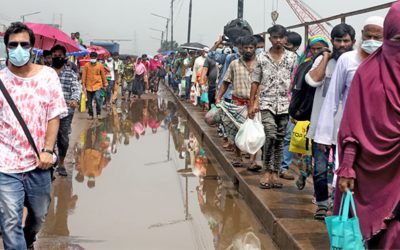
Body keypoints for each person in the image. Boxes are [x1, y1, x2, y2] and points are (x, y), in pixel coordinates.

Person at [336, 2, 400, 248]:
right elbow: (353, 125)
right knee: (375, 233)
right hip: (369, 174)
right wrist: (347, 167)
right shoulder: (367, 73)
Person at [0, 22, 68, 250]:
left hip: (39, 162)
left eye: (23, 44)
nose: (18, 48)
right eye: (13, 44)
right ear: (6, 47)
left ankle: (27, 241)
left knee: (38, 217)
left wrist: (48, 150)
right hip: (6, 165)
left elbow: (54, 116)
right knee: (10, 221)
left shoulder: (48, 77)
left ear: (32, 48)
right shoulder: (1, 80)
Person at [305, 23, 356, 220]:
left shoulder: (356, 63)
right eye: (338, 40)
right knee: (319, 169)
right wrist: (325, 57)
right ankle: (321, 203)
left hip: (346, 127)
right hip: (321, 126)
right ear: (332, 41)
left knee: (342, 170)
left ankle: (336, 204)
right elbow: (313, 80)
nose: (342, 44)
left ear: (353, 42)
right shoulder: (323, 60)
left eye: (346, 41)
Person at [314, 16, 384, 151]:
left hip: (382, 132)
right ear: (362, 34)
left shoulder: (392, 60)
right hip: (352, 130)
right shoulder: (347, 60)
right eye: (368, 36)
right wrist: (323, 135)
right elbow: (332, 99)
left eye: (377, 38)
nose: (372, 41)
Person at [248, 24, 297, 189]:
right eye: (274, 37)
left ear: (285, 39)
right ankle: (267, 170)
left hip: (285, 104)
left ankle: (276, 171)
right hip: (266, 102)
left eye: (280, 37)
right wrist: (251, 104)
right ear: (270, 39)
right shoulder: (261, 57)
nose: (278, 40)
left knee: (280, 138)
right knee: (270, 134)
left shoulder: (292, 58)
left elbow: (295, 81)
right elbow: (255, 81)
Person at [216, 35, 259, 170]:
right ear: (240, 49)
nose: (248, 50)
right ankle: (238, 156)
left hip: (254, 104)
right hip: (237, 102)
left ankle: (253, 160)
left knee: (254, 132)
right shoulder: (234, 64)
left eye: (251, 47)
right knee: (236, 131)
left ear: (255, 49)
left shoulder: (261, 64)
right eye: (245, 47)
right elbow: (226, 82)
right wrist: (218, 97)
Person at [50, 44, 82, 177]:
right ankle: (50, 165)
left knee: (63, 139)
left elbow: (77, 88)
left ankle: (61, 163)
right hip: (49, 113)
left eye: (60, 56)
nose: (57, 58)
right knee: (49, 139)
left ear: (65, 57)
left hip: (65, 111)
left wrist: (75, 99)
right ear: (51, 57)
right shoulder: (45, 73)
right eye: (55, 56)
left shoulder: (70, 73)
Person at [82, 52, 108, 119]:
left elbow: (103, 75)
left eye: (94, 58)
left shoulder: (100, 65)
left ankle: (98, 113)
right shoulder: (86, 65)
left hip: (97, 85)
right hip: (89, 86)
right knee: (89, 102)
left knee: (97, 98)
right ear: (90, 58)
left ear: (96, 58)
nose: (93, 59)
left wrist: (105, 83)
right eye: (92, 58)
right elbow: (84, 75)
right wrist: (83, 84)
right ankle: (90, 114)